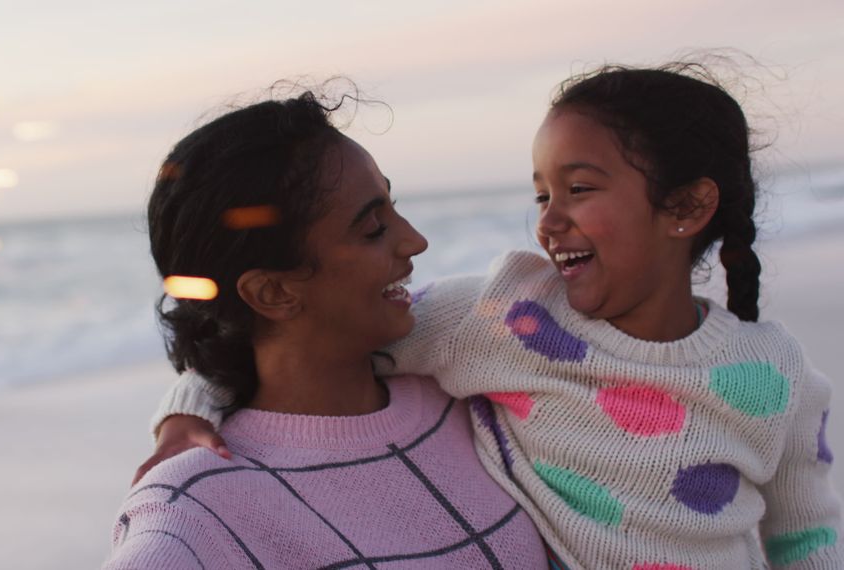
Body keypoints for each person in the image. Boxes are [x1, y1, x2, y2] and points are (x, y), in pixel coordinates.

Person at [145, 64, 844, 569]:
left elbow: (807, 534)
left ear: (687, 208)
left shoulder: (773, 374)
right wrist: (189, 410)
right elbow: (289, 339)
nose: (550, 221)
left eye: (577, 189)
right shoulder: (508, 317)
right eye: (541, 195)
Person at [105, 91, 547, 569]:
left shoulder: (467, 388)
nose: (415, 240)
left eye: (392, 206)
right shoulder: (193, 507)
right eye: (374, 228)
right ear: (272, 292)